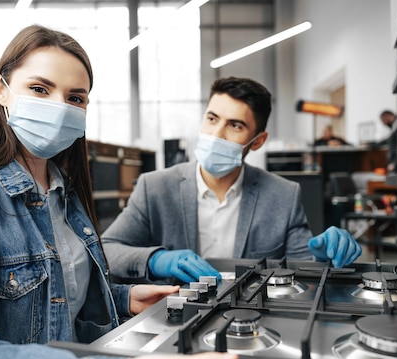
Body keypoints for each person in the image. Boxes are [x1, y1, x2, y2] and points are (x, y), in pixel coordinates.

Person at [0, 26, 269, 359]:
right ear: (1, 89)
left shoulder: (65, 193)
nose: (59, 107)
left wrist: (123, 299)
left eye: (75, 98)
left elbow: (56, 317)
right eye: (40, 90)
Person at [101, 76, 361, 285]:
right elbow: (107, 251)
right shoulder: (154, 187)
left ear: (257, 141)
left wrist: (324, 257)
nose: (216, 134)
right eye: (212, 119)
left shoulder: (283, 195)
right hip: (174, 321)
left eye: (235, 126)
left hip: (250, 321)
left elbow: (304, 271)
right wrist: (156, 259)